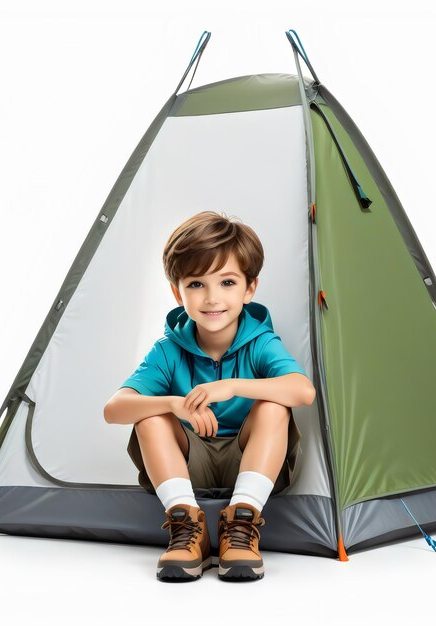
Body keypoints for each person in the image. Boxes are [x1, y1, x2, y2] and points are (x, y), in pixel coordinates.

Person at [103, 210, 316, 582]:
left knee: (273, 406)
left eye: (228, 282)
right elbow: (114, 409)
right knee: (150, 415)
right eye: (197, 284)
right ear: (177, 291)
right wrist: (173, 404)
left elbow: (303, 391)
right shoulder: (169, 350)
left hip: (251, 463)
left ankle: (243, 525)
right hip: (189, 468)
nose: (212, 298)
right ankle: (186, 528)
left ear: (250, 288)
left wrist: (232, 385)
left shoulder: (261, 342)